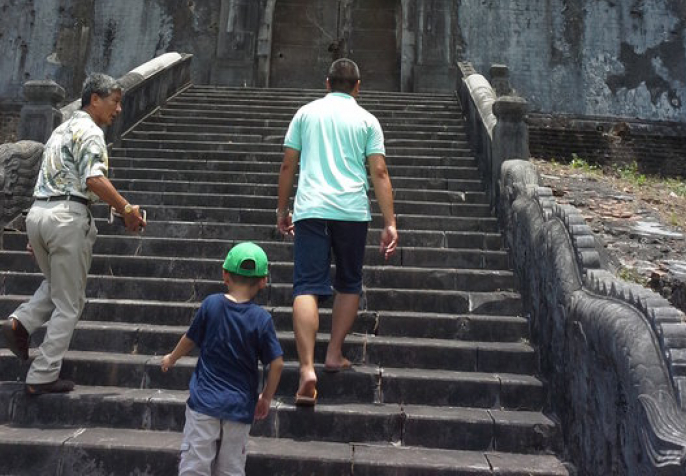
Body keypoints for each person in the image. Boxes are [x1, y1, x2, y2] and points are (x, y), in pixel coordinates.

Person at [1, 72, 146, 395]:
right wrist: (126, 209)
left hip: (39, 213)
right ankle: (43, 373)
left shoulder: (61, 129)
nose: (119, 109)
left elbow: (50, 176)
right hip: (67, 217)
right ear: (94, 99)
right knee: (71, 302)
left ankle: (20, 323)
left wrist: (35, 230)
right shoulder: (91, 132)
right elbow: (94, 179)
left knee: (56, 284)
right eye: (115, 101)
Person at [276, 57, 398, 406]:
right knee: (348, 282)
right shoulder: (367, 120)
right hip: (351, 210)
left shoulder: (306, 113)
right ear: (358, 87)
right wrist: (390, 222)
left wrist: (283, 209)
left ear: (326, 83)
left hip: (311, 208)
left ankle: (306, 370)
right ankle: (333, 353)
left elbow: (288, 163)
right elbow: (379, 172)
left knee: (306, 286)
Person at [161, 241, 284, 476]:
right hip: (239, 405)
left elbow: (190, 339)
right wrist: (266, 397)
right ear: (263, 281)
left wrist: (171, 358)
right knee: (231, 468)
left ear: (225, 275)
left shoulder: (211, 305)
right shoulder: (261, 319)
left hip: (204, 401)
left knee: (195, 464)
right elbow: (276, 363)